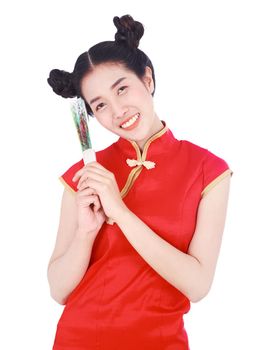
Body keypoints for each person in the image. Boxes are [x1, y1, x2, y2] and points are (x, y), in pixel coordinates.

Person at [47, 14, 233, 350]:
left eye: (122, 89)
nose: (117, 111)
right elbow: (58, 289)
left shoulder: (208, 170)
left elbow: (198, 284)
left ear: (147, 80)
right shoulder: (84, 175)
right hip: (77, 339)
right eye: (100, 105)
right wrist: (86, 233)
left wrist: (119, 210)